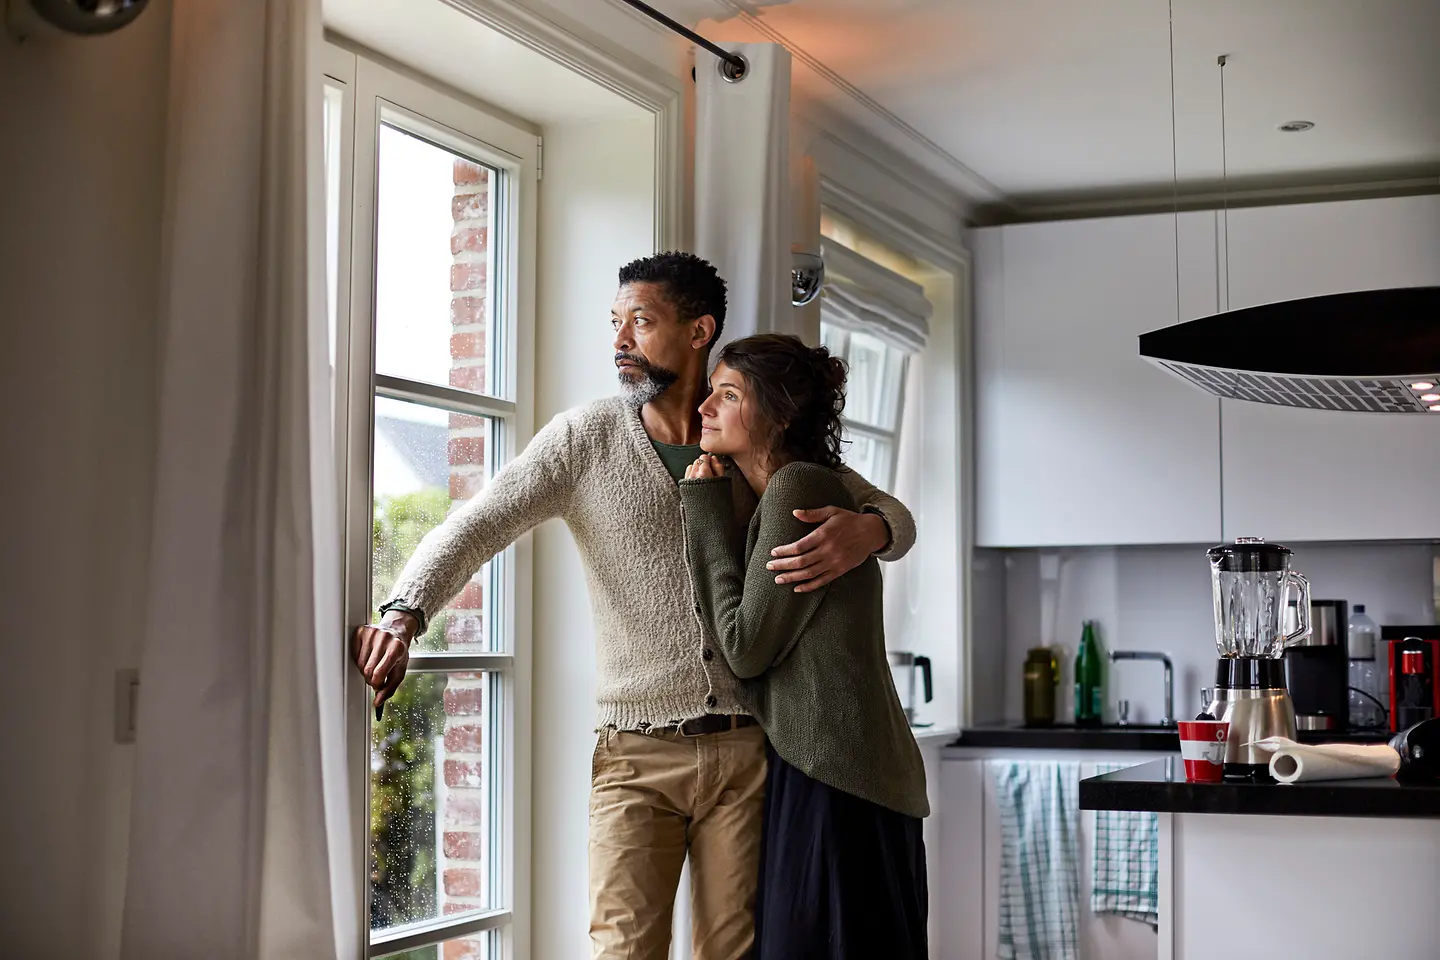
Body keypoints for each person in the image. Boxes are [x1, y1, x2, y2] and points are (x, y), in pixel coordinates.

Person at [351, 252, 916, 960]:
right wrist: (404, 613)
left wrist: (875, 530)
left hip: (748, 750)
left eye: (641, 322)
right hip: (634, 752)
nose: (620, 341)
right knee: (624, 950)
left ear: (699, 330)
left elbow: (886, 507)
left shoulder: (746, 434)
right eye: (615, 323)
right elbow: (476, 523)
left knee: (730, 953)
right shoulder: (585, 439)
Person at [679, 333, 930, 960]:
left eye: (728, 394)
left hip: (834, 773)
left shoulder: (796, 487)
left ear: (780, 414)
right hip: (843, 767)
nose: (705, 408)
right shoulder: (802, 485)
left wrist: (705, 509)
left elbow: (743, 648)